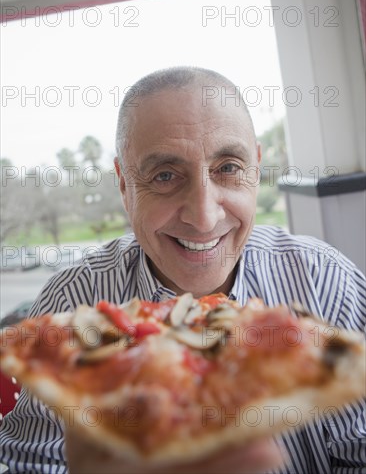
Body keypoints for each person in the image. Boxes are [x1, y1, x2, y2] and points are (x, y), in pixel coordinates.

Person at [1, 67, 365, 474]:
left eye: (228, 167)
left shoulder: (326, 279)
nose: (204, 217)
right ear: (124, 184)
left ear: (256, 167)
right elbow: (28, 464)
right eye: (165, 176)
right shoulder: (71, 302)